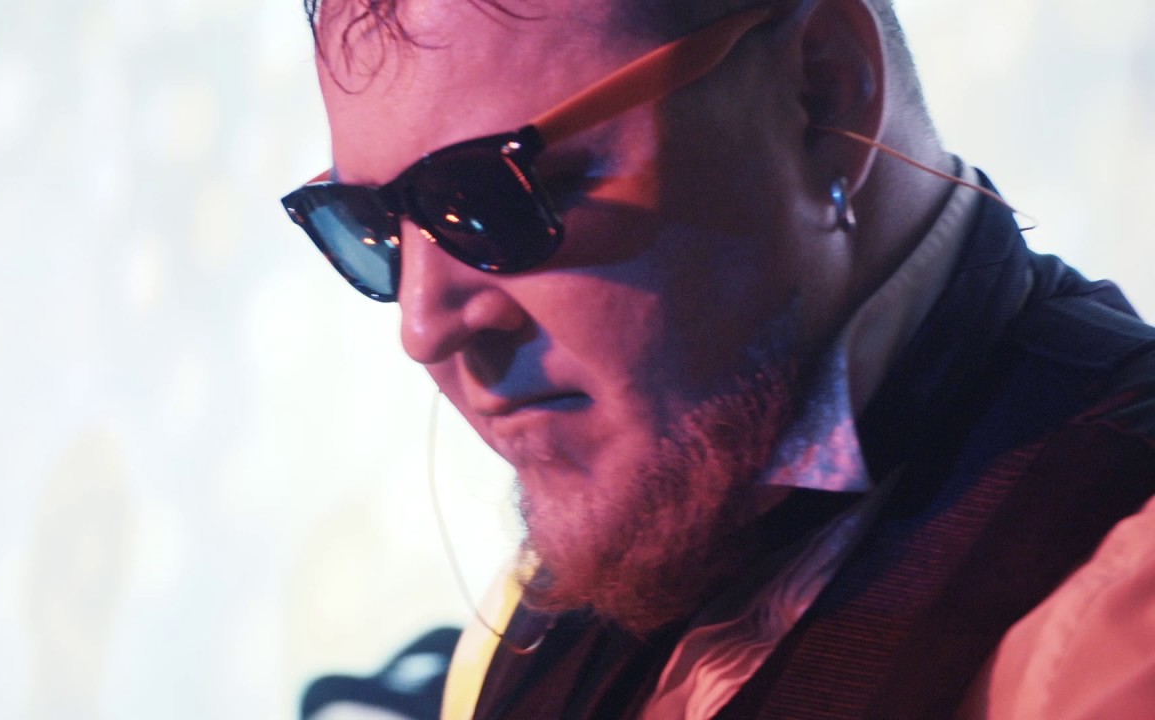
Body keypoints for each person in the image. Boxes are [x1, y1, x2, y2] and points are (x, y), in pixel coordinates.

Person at [281, 0, 1155, 717]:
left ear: (820, 94)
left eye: (492, 197)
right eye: (367, 225)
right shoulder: (556, 588)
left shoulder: (1119, 606)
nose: (423, 327)